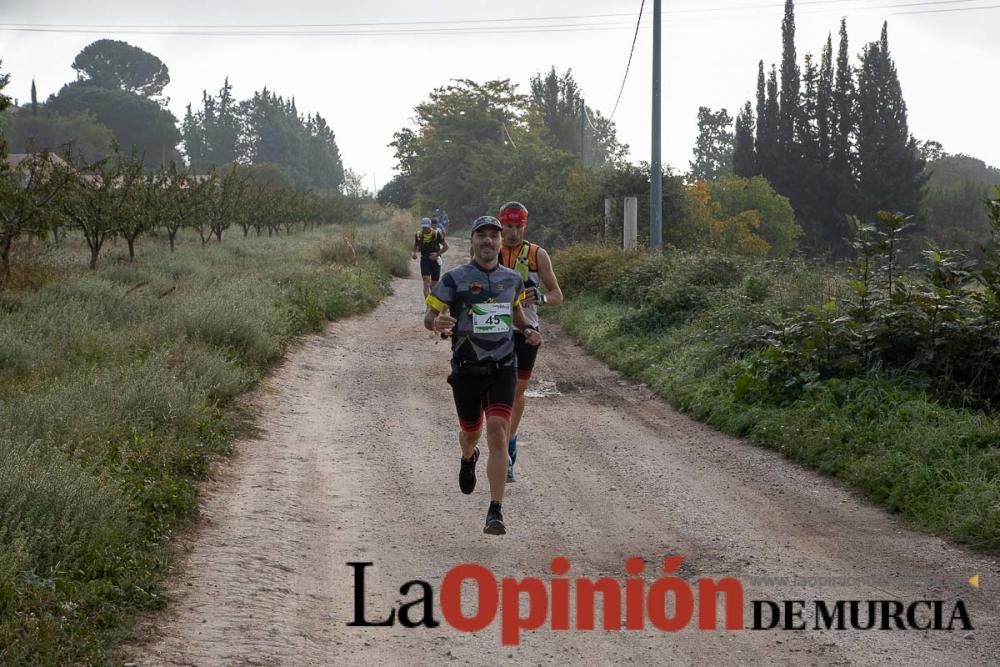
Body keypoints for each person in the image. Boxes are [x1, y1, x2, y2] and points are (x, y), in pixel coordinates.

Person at [424, 215, 542, 535]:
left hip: (503, 365)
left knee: (498, 433)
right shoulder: (454, 279)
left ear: (501, 242)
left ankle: (496, 510)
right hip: (467, 369)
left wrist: (528, 330)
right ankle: (467, 456)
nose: (488, 241)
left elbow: (517, 316)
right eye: (482, 236)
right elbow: (429, 315)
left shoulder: (511, 280)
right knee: (472, 433)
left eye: (494, 236)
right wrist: (435, 323)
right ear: (473, 242)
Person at [497, 201, 564, 482]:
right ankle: (500, 448)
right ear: (501, 226)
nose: (513, 233)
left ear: (525, 225)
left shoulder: (538, 255)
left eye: (518, 227)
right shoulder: (489, 251)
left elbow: (558, 295)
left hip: (528, 331)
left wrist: (543, 298)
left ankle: (510, 441)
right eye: (508, 227)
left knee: (516, 392)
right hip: (496, 330)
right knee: (497, 390)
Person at [412, 216, 449, 299]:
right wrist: (414, 253)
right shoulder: (418, 234)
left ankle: (433, 303)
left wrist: (437, 254)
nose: (425, 229)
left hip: (435, 261)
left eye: (426, 227)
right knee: (426, 282)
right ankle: (428, 306)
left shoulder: (436, 233)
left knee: (434, 286)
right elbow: (416, 244)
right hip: (424, 260)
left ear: (430, 226)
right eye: (423, 227)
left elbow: (446, 247)